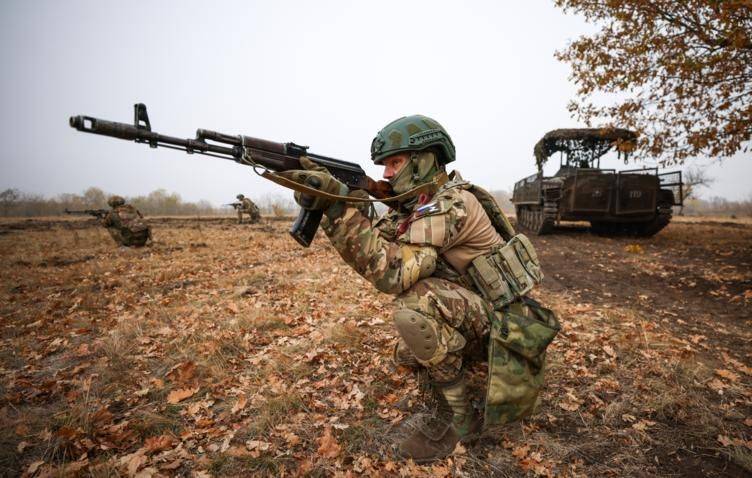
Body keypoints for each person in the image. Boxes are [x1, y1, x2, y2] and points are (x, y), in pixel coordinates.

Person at [286, 115, 559, 462]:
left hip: (508, 328)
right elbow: (376, 246)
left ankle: (461, 418)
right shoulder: (415, 206)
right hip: (481, 311)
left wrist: (339, 207)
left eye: (394, 162)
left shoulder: (449, 205)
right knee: (408, 350)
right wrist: (342, 201)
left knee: (415, 306)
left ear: (424, 160)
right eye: (384, 165)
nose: (386, 174)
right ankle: (458, 361)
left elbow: (392, 274)